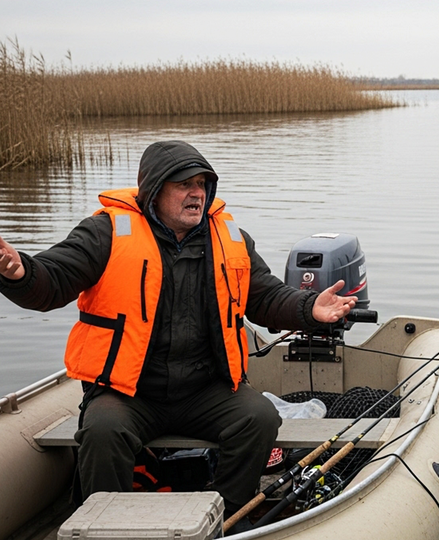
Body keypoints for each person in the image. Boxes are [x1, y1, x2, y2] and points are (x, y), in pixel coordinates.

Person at [0, 140, 357, 530]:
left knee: (258, 418)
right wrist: (20, 273)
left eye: (202, 184)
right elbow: (54, 278)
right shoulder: (104, 233)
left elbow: (266, 296)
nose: (197, 193)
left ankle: (225, 518)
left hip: (205, 390)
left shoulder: (231, 238)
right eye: (184, 184)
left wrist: (310, 309)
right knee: (102, 431)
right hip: (129, 391)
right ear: (154, 191)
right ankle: (105, 527)